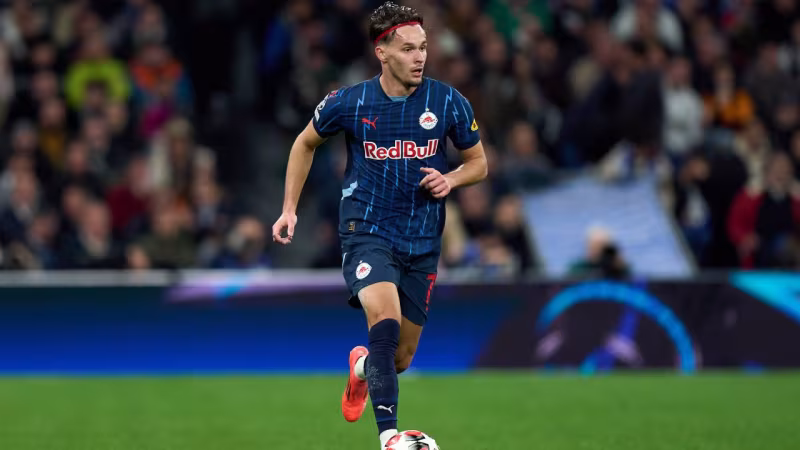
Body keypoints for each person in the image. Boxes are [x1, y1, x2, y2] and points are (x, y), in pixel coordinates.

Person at [271, 2, 488, 448]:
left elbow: (479, 163)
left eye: (423, 47)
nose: (419, 57)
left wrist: (450, 179)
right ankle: (390, 437)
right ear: (382, 52)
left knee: (399, 357)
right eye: (408, 49)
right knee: (384, 320)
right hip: (366, 231)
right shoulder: (350, 101)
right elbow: (304, 143)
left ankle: (359, 368)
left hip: (422, 239)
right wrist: (289, 208)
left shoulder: (448, 101)